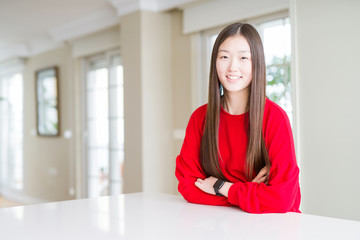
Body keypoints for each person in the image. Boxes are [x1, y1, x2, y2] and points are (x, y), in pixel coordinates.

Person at [175, 22, 301, 213]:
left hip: (273, 227)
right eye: (224, 56)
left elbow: (281, 200)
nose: (233, 66)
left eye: (243, 58)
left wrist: (222, 187)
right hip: (221, 225)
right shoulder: (200, 118)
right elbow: (188, 186)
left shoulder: (274, 118)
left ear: (256, 63)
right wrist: (251, 193)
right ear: (215, 62)